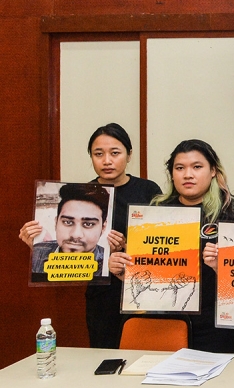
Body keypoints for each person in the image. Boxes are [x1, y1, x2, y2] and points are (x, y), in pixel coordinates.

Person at [19, 123, 162, 348]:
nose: (107, 160)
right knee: (105, 358)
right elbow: (65, 262)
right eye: (98, 154)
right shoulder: (81, 196)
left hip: (145, 292)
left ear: (129, 155)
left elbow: (164, 242)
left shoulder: (148, 190)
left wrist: (128, 247)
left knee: (146, 357)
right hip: (103, 297)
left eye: (115, 153)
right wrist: (36, 245)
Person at [111, 139, 234, 353]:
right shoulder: (154, 212)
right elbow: (146, 269)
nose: (188, 175)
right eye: (179, 168)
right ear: (172, 174)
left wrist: (223, 266)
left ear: (213, 170)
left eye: (197, 167)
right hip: (166, 320)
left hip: (215, 325)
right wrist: (123, 271)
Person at [29, 183, 109, 276]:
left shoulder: (109, 263)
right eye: (68, 222)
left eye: (88, 224)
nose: (75, 234)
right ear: (56, 223)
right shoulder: (36, 252)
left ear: (103, 228)